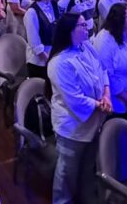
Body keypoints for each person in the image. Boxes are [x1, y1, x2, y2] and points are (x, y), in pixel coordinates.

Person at [47, 13, 111, 204]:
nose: (87, 27)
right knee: (67, 174)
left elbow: (102, 70)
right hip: (72, 127)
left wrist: (106, 94)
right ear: (70, 31)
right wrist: (100, 104)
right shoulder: (59, 63)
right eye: (82, 25)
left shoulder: (87, 46)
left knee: (88, 167)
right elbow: (74, 100)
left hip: (94, 121)